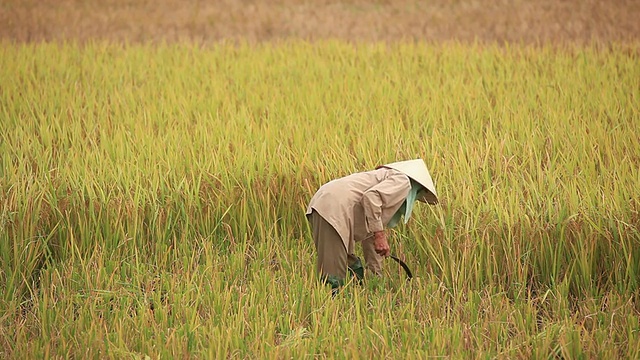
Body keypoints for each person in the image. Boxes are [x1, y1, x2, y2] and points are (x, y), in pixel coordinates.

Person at [305, 159, 438, 291]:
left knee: (351, 265)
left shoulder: (386, 178)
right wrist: (380, 235)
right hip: (334, 208)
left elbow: (371, 235)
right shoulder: (403, 181)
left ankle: (358, 294)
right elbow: (371, 197)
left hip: (327, 204)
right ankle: (331, 307)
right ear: (417, 187)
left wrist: (376, 277)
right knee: (333, 275)